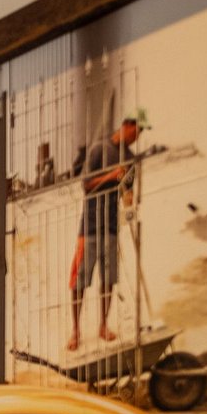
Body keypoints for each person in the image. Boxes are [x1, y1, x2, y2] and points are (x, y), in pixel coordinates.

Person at [69, 115, 142, 350]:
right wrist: (111, 176)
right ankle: (75, 331)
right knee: (80, 280)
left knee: (108, 279)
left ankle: (103, 325)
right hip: (90, 225)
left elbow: (128, 190)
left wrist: (130, 205)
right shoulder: (99, 148)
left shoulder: (130, 159)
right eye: (136, 131)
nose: (137, 136)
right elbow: (86, 185)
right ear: (126, 126)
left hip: (111, 225)